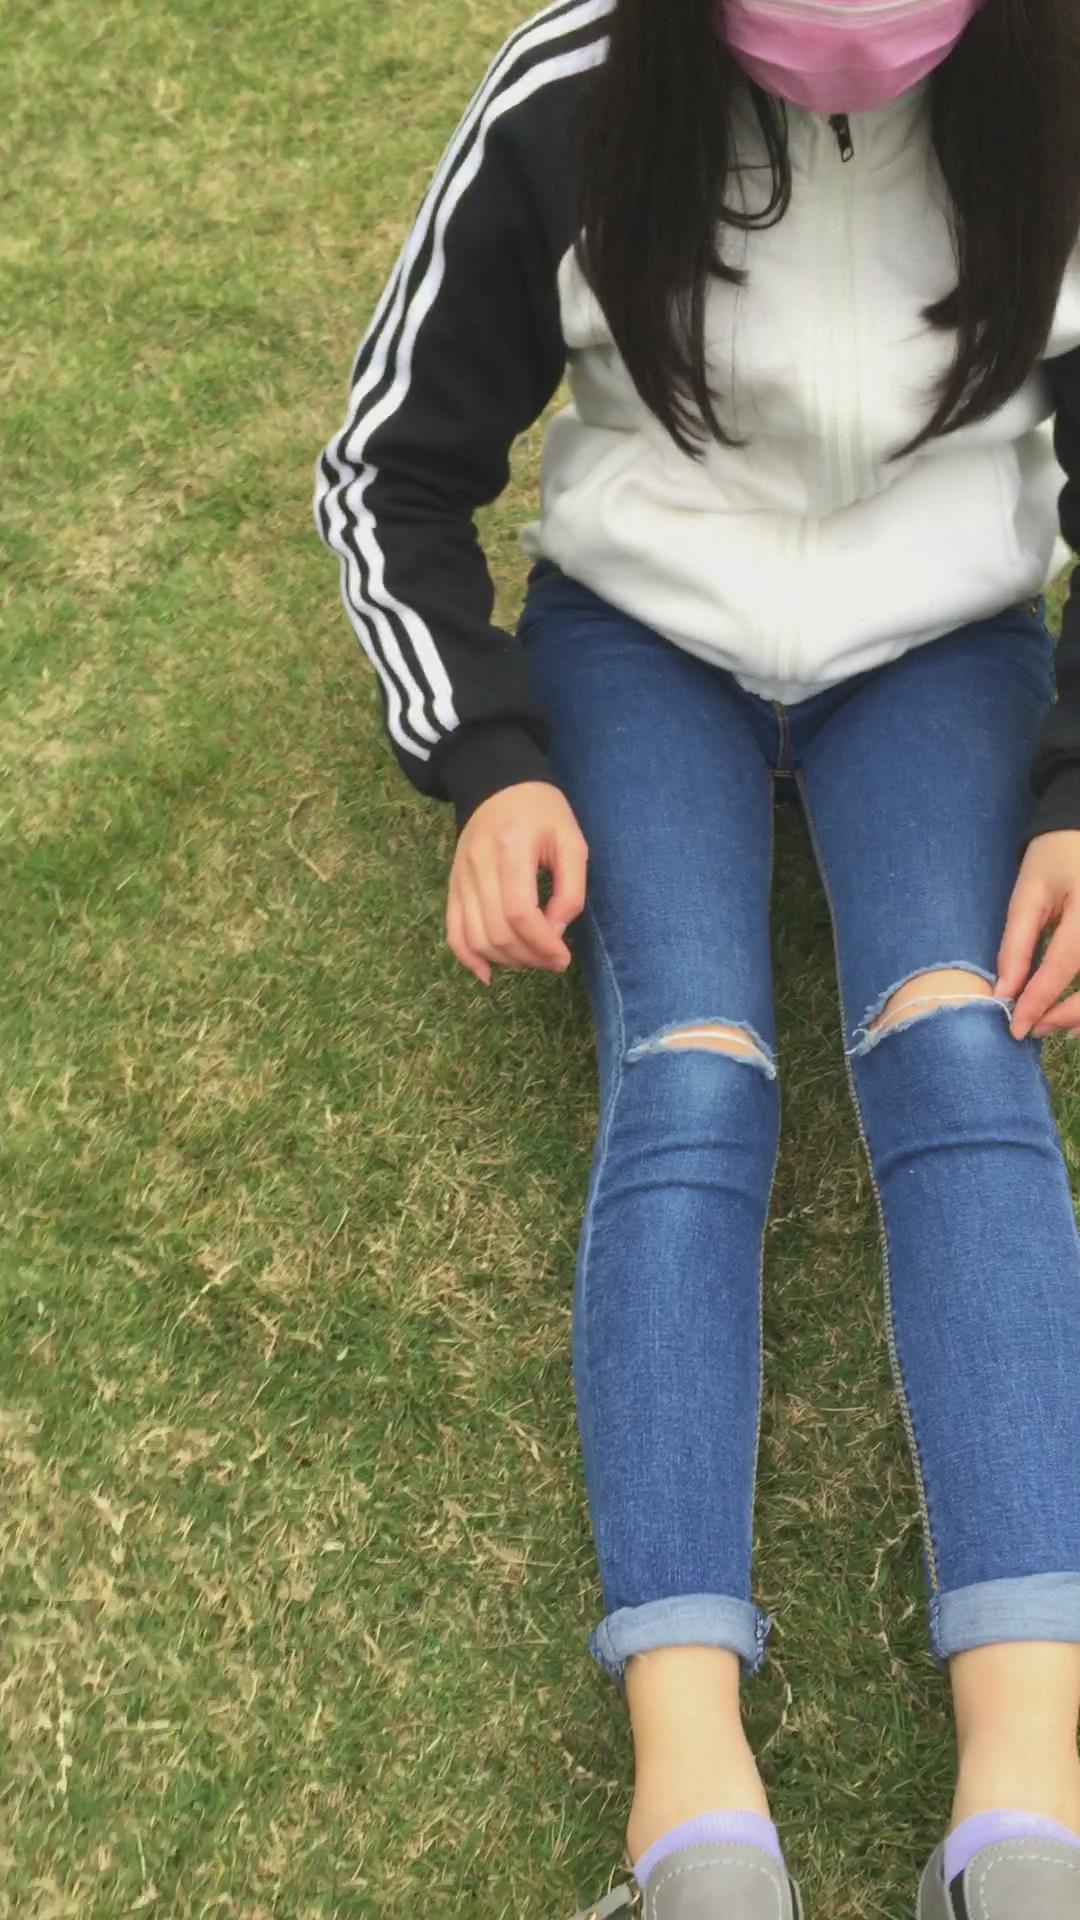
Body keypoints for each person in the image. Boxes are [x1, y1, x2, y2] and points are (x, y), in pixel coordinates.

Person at [311, 1, 1080, 1913]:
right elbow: (388, 474)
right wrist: (488, 758)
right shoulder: (571, 93)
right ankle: (693, 1804)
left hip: (942, 640)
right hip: (640, 633)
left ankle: (1029, 1807)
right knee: (694, 1070)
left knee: (961, 1044)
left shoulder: (1062, 88)